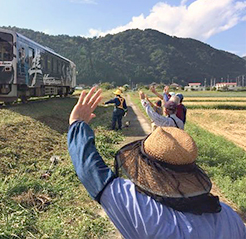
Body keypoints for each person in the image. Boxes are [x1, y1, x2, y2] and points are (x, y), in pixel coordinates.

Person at [67, 87, 246, 239]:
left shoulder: (145, 211)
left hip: (126, 118)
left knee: (117, 122)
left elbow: (90, 170)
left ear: (148, 167)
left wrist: (77, 124)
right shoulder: (230, 217)